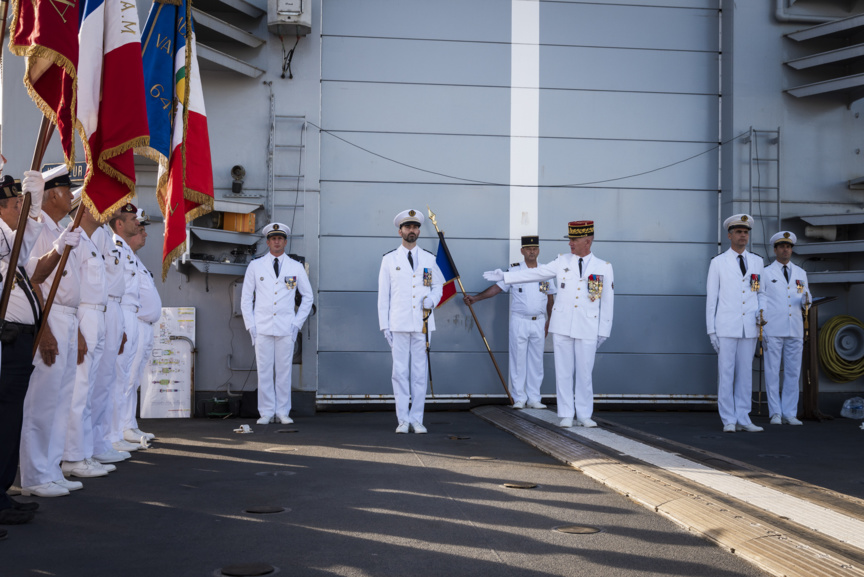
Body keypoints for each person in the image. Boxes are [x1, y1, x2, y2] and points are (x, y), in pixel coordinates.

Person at [484, 221, 613, 428]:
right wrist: (506, 277)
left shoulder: (603, 267)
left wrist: (603, 331)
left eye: (574, 240)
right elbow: (536, 273)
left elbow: (607, 301)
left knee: (584, 372)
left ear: (587, 241)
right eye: (570, 240)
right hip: (562, 325)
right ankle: (566, 414)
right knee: (563, 371)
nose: (570, 244)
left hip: (588, 326)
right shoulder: (561, 261)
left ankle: (584, 414)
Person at [20, 168, 87, 497]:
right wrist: (43, 329)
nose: (72, 195)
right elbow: (32, 281)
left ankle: (51, 469)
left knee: (61, 401)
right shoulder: (38, 230)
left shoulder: (60, 227)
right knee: (41, 403)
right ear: (51, 195)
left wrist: (75, 330)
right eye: (66, 190)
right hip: (49, 317)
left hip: (67, 317)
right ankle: (34, 476)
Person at [0, 170, 47, 524]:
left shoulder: (8, 239)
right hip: (7, 340)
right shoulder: (3, 239)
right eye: (17, 203)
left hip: (17, 341)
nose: (21, 207)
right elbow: (19, 247)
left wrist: (32, 210)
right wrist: (35, 213)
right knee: (4, 419)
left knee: (9, 419)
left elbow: (21, 249)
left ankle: (2, 493)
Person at [464, 235, 555, 409]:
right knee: (518, 359)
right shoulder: (514, 271)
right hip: (519, 321)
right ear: (522, 251)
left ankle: (534, 398)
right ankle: (519, 397)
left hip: (539, 321)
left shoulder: (546, 272)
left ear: (539, 250)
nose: (532, 252)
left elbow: (550, 298)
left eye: (535, 248)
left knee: (536, 361)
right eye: (528, 249)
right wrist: (476, 298)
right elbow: (497, 288)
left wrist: (550, 321)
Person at [378, 209, 444, 434]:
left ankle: (417, 419)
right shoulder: (389, 260)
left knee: (419, 372)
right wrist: (384, 325)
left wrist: (433, 300)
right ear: (400, 231)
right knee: (399, 372)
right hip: (398, 323)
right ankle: (402, 419)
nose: (412, 231)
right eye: (408, 227)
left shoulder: (429, 258)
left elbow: (439, 286)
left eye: (415, 227)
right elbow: (383, 295)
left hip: (422, 323)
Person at [241, 223, 313, 425]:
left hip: (286, 327)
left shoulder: (295, 267)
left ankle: (282, 411)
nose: (277, 242)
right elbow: (246, 298)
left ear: (285, 241)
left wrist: (297, 323)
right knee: (264, 371)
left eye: (280, 238)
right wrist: (251, 325)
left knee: (284, 372)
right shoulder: (255, 266)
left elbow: (308, 297)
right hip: (262, 327)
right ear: (268, 241)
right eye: (273, 238)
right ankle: (266, 412)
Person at [61, 203, 114, 478]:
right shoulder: (75, 239)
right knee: (78, 391)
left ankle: (83, 452)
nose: (103, 211)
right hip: (84, 316)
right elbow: (71, 288)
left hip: (98, 315)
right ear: (81, 209)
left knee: (89, 390)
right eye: (95, 206)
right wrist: (79, 332)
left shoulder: (91, 241)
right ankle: (71, 457)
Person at [706, 214, 765, 433]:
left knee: (745, 373)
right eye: (739, 232)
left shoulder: (757, 261)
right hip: (726, 326)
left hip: (749, 326)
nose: (743, 236)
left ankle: (743, 417)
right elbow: (712, 299)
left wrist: (761, 314)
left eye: (746, 232)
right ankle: (728, 418)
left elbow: (761, 294)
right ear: (730, 235)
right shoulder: (718, 262)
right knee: (726, 373)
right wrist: (711, 330)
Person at [762, 231, 809, 426]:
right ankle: (775, 413)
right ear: (775, 250)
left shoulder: (800, 272)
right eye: (782, 246)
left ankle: (790, 412)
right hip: (773, 327)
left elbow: (806, 295)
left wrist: (808, 300)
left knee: (793, 371)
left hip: (795, 327)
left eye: (788, 246)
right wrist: (761, 323)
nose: (786, 249)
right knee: (772, 371)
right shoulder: (766, 273)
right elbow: (761, 298)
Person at [122, 211, 161, 443]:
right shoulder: (120, 253)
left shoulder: (134, 258)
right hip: (132, 323)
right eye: (140, 229)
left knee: (134, 378)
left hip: (144, 325)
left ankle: (129, 424)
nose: (144, 233)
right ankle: (121, 428)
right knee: (125, 379)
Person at [109, 203, 145, 454]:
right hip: (121, 313)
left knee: (125, 378)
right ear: (119, 224)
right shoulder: (115, 248)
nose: (138, 223)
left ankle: (119, 430)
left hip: (130, 315)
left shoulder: (128, 252)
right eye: (133, 219)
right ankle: (113, 434)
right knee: (116, 379)